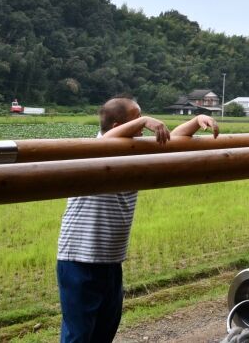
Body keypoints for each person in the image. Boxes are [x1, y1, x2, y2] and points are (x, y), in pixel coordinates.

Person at [56, 97, 218, 343]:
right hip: (79, 260)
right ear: (118, 126)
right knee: (78, 335)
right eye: (137, 119)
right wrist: (144, 121)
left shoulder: (136, 152)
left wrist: (196, 121)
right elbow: (106, 141)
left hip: (111, 261)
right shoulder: (94, 149)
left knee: (104, 332)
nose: (144, 126)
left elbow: (173, 140)